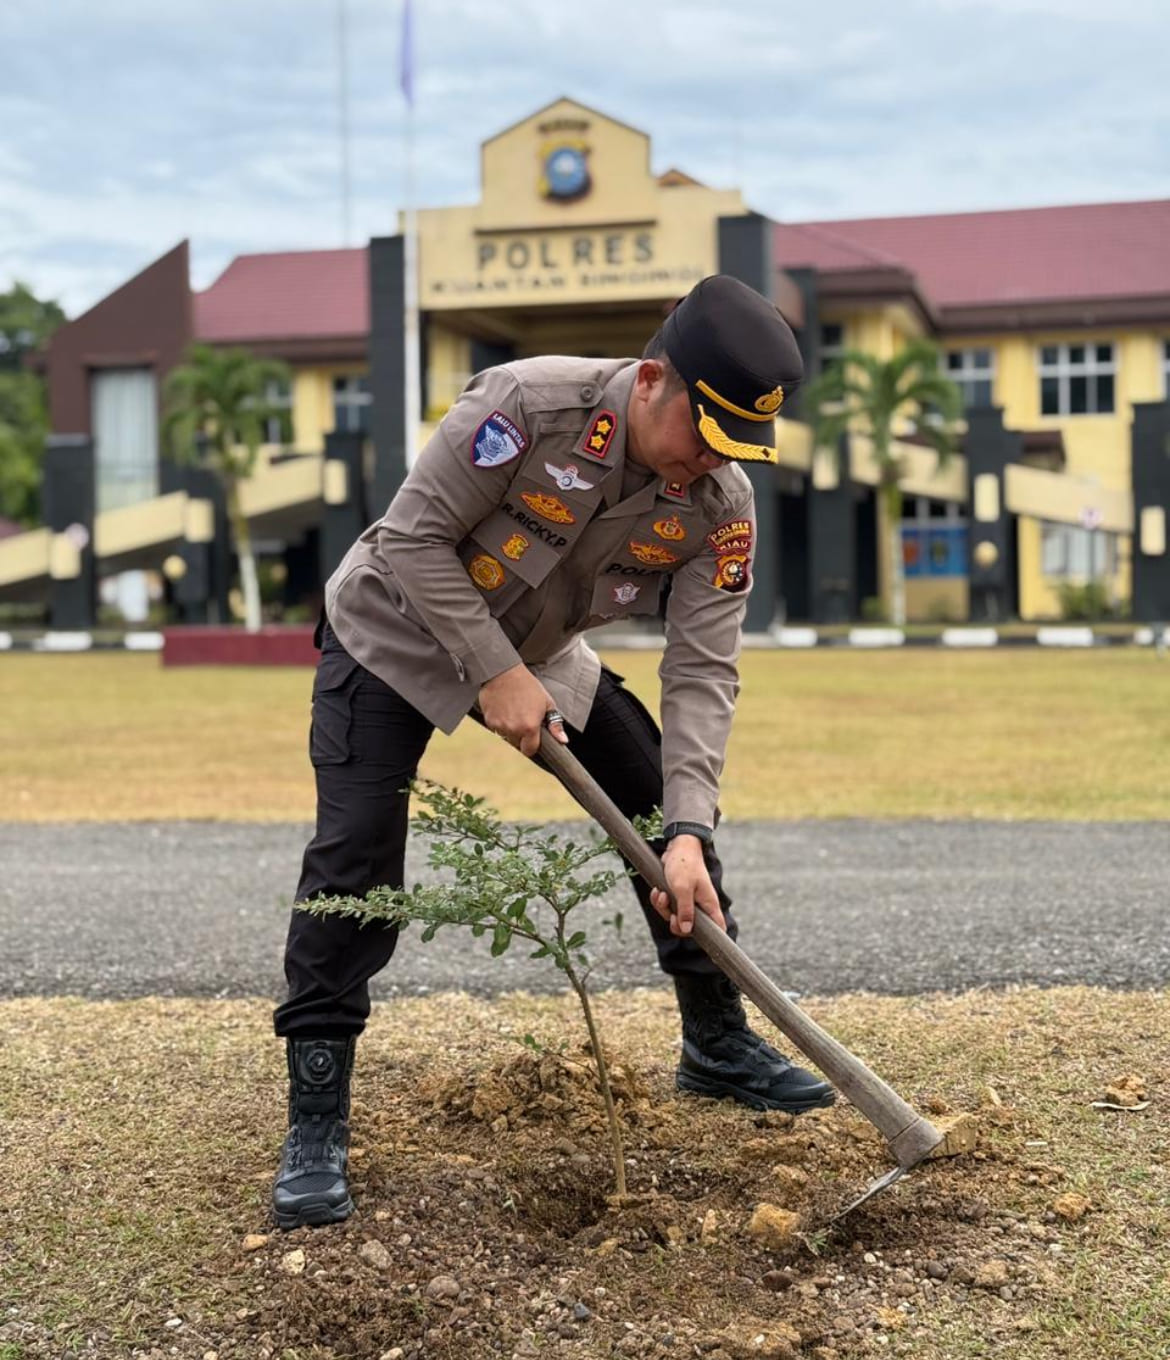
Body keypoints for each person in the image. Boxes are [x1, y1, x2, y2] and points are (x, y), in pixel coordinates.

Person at [271, 274, 835, 1230]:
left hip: (542, 654)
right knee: (356, 853)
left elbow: (702, 672)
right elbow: (411, 539)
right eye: (705, 435)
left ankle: (716, 1042)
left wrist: (689, 832)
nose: (708, 466)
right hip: (394, 632)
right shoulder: (528, 406)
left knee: (660, 802)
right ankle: (315, 1112)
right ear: (653, 380)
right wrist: (490, 670)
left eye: (735, 450)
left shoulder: (718, 504)